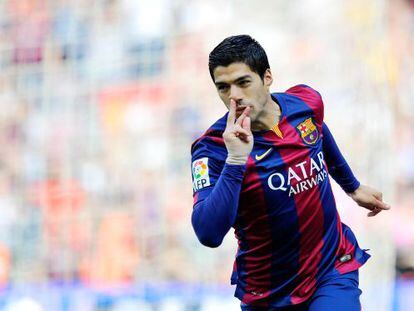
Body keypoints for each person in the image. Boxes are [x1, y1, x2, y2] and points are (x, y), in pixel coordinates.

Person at [190, 35, 390, 311]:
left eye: (243, 82)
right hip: (269, 293)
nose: (233, 96)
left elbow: (317, 131)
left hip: (330, 267)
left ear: (267, 77)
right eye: (223, 87)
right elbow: (208, 234)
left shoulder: (305, 103)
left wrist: (352, 186)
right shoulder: (211, 149)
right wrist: (236, 159)